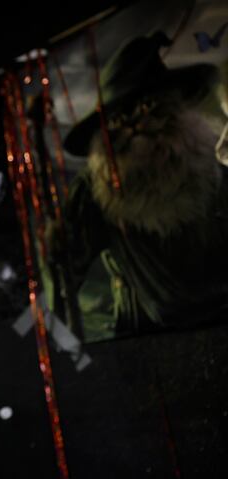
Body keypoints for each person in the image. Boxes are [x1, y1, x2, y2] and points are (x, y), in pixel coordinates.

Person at [54, 32, 228, 335]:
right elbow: (61, 280)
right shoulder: (96, 191)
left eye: (145, 106)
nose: (134, 125)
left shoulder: (212, 160)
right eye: (119, 119)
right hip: (150, 343)